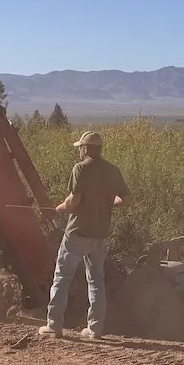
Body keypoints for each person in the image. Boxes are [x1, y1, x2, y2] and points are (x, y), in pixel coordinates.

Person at [40, 130, 130, 340]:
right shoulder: (112, 170)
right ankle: (95, 329)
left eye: (80, 147)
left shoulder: (80, 169)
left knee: (62, 278)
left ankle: (54, 326)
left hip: (77, 233)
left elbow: (74, 201)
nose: (79, 151)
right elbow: (127, 200)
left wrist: (61, 207)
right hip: (100, 235)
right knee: (96, 280)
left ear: (86, 149)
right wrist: (110, 203)